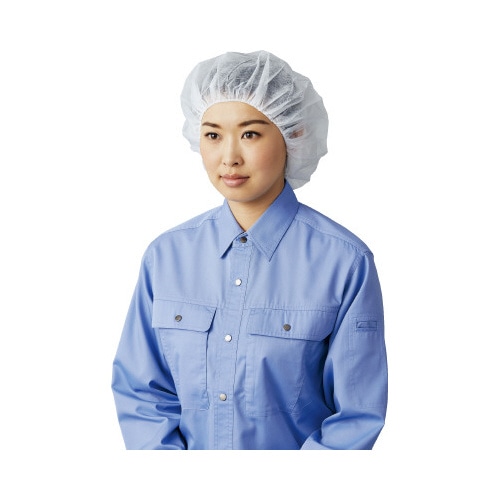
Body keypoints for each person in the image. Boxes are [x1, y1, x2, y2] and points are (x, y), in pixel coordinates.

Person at [111, 50, 388, 450]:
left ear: (295, 134)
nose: (229, 158)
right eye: (213, 135)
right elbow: (141, 393)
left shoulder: (344, 262)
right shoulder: (166, 257)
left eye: (250, 134)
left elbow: (356, 417)